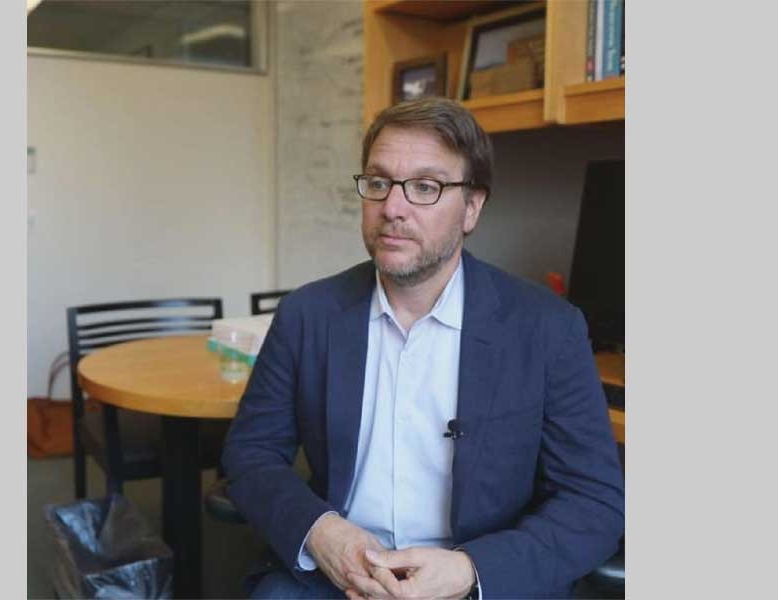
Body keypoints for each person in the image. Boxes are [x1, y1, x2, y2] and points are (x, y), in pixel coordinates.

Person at [222, 97, 624, 599]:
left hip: (479, 578)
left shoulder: (548, 329)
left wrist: (470, 570)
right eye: (378, 182)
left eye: (425, 187)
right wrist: (322, 533)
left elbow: (595, 501)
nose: (393, 207)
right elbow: (250, 453)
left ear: (472, 207)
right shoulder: (308, 314)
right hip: (338, 574)